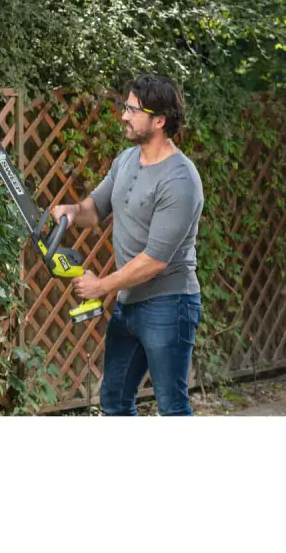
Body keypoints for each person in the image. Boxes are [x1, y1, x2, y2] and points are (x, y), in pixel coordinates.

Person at [52, 74, 204, 416]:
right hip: (129, 302)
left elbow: (155, 260)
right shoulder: (126, 160)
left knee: (172, 406)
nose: (123, 115)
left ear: (159, 120)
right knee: (115, 399)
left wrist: (101, 286)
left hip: (170, 304)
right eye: (126, 107)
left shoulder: (180, 179)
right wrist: (73, 212)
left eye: (133, 110)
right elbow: (96, 208)